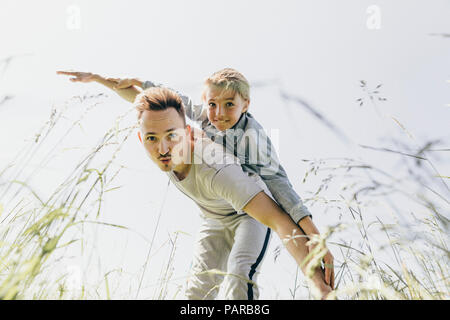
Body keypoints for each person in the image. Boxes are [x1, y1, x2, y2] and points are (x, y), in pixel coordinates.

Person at [57, 71, 334, 299]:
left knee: (239, 275)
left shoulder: (235, 155)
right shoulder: (194, 122)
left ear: (245, 105)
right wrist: (101, 80)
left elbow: (280, 201)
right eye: (152, 138)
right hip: (213, 218)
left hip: (248, 213)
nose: (219, 114)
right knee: (195, 296)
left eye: (230, 105)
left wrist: (316, 271)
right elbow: (161, 104)